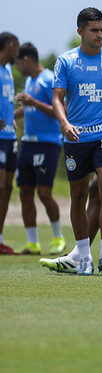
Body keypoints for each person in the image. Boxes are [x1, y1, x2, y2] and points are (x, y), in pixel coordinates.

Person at [51, 8, 102, 275]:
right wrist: (65, 123)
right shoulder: (65, 61)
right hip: (76, 137)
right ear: (80, 31)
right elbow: (57, 99)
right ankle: (83, 256)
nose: (100, 35)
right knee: (78, 195)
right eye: (94, 30)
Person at [13, 42, 66, 255]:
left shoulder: (48, 79)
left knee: (44, 193)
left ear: (26, 59)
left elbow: (59, 110)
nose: (16, 68)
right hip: (28, 143)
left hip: (48, 143)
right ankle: (32, 242)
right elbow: (27, 107)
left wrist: (34, 102)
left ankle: (57, 238)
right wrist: (9, 117)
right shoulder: (28, 80)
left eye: (17, 63)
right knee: (25, 192)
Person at [0, 32, 20, 254]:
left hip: (9, 137)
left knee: (6, 188)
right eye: (18, 47)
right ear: (11, 45)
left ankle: (0, 238)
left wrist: (11, 118)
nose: (19, 52)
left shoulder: (8, 71)